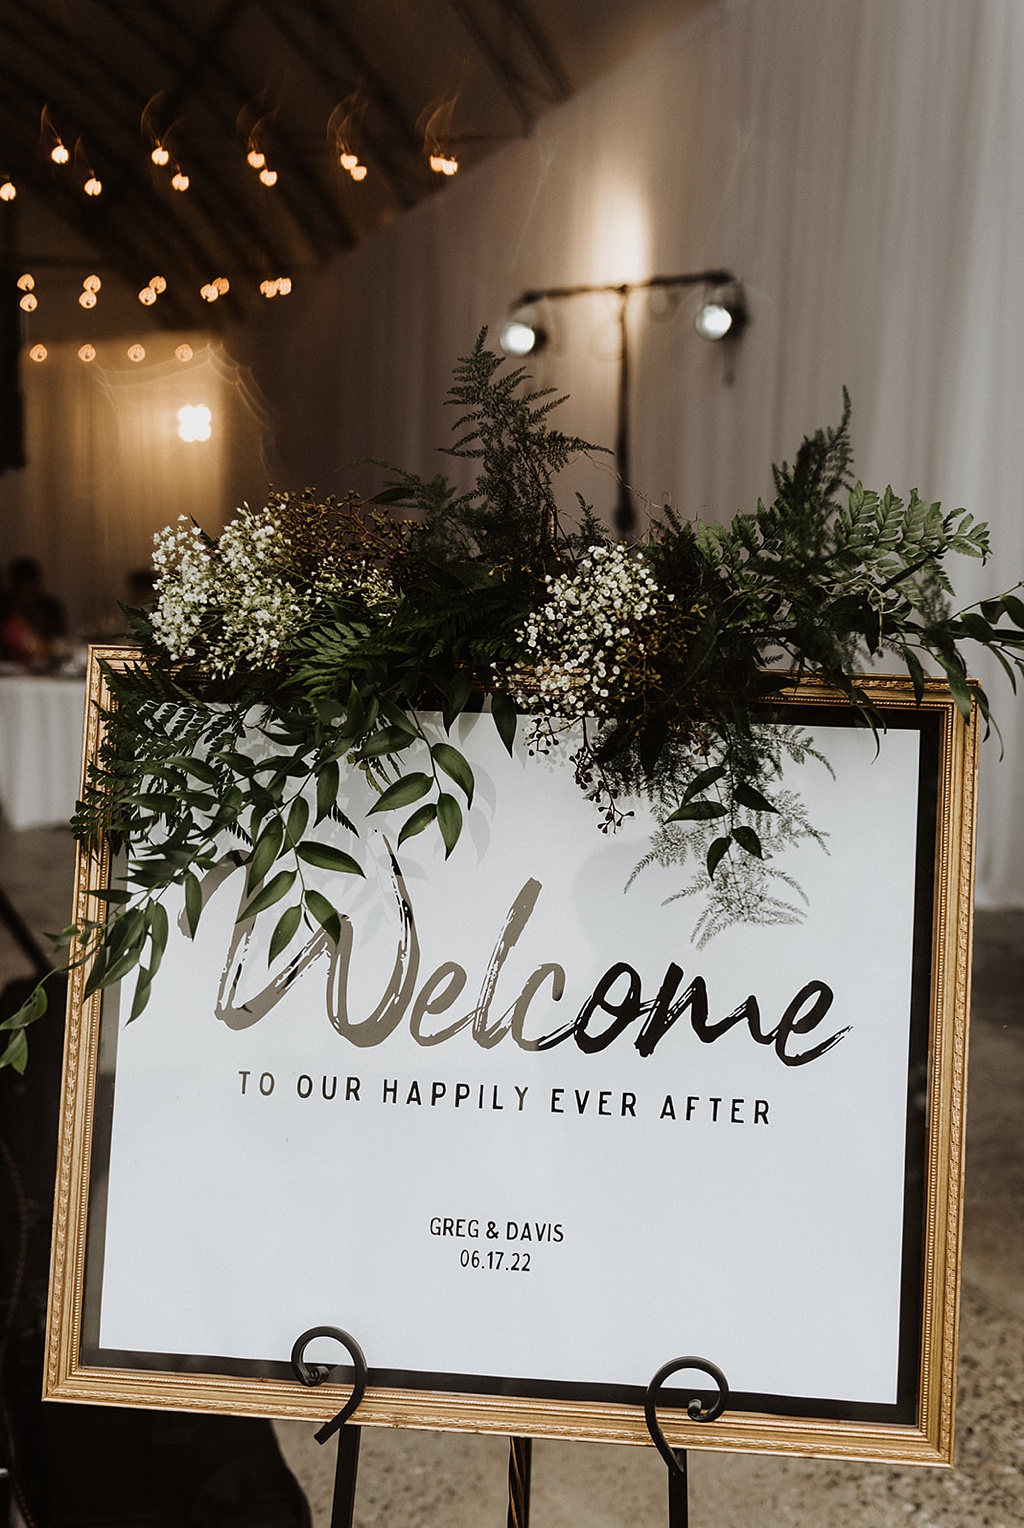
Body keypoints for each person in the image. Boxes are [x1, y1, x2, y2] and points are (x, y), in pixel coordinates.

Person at [0, 557, 68, 668]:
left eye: (33, 587)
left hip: (48, 669)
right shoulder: (6, 613)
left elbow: (60, 642)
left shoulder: (50, 608)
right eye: (23, 589)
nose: (28, 594)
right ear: (14, 589)